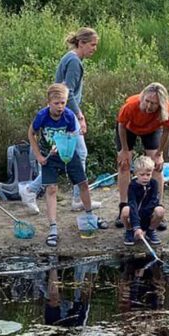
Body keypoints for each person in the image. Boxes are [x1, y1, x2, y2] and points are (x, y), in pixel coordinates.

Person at [21, 28, 101, 214]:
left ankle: (73, 197)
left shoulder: (71, 57)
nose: (94, 49)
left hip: (65, 111)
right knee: (77, 153)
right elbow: (68, 91)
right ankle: (32, 190)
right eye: (92, 45)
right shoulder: (74, 61)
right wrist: (79, 116)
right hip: (66, 113)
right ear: (81, 43)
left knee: (70, 155)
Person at [30, 83, 108, 247]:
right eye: (56, 103)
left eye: (63, 103)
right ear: (49, 102)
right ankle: (53, 228)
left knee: (83, 183)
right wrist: (39, 156)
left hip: (67, 153)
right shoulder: (42, 116)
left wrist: (69, 141)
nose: (60, 107)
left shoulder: (69, 115)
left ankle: (90, 216)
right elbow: (31, 134)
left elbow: (71, 135)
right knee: (51, 189)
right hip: (49, 156)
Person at [114, 82, 169, 228]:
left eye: (153, 104)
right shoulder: (131, 105)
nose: (149, 106)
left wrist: (159, 153)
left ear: (160, 103)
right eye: (147, 102)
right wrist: (124, 150)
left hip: (151, 130)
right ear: (143, 98)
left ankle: (157, 208)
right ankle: (124, 207)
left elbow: (167, 130)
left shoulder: (166, 108)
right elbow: (121, 126)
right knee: (124, 164)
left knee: (157, 166)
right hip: (128, 129)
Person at [122, 155, 165, 246]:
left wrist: (144, 228)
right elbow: (132, 204)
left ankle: (150, 231)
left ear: (152, 173)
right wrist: (136, 227)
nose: (145, 177)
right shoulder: (132, 186)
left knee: (160, 210)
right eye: (142, 175)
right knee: (125, 210)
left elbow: (153, 202)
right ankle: (129, 231)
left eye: (148, 174)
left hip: (148, 215)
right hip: (134, 215)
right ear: (136, 174)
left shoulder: (154, 184)